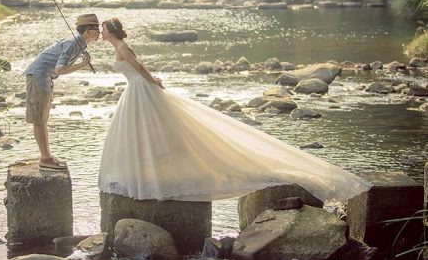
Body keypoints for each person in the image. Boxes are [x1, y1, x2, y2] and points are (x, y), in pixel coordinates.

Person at [98, 17, 371, 203]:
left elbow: (140, 68)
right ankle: (145, 177)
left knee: (153, 133)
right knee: (139, 136)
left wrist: (153, 81)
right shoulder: (115, 47)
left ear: (111, 31)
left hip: (141, 90)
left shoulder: (123, 46)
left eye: (102, 29)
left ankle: (154, 180)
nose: (101, 33)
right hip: (133, 92)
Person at [24, 13, 100, 170]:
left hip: (44, 78)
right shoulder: (73, 44)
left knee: (43, 118)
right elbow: (60, 69)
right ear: (88, 31)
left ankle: (47, 156)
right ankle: (45, 159)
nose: (99, 32)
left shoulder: (79, 44)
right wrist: (82, 65)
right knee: (39, 119)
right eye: (96, 28)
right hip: (38, 77)